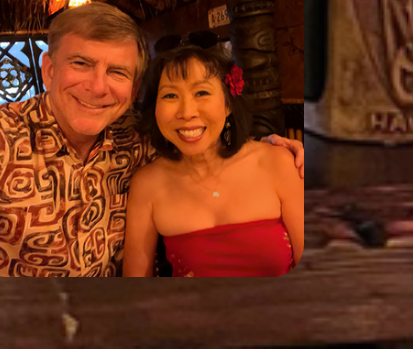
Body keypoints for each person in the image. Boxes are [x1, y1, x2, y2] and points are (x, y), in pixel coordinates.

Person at [0, 3, 303, 276]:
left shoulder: (137, 139)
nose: (98, 87)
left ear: (133, 90)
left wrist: (271, 146)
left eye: (117, 72)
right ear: (48, 70)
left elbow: (204, 138)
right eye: (81, 63)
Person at [122, 35, 304, 276]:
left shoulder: (278, 163)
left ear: (228, 104)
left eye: (201, 93)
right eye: (170, 96)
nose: (187, 112)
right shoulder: (147, 185)